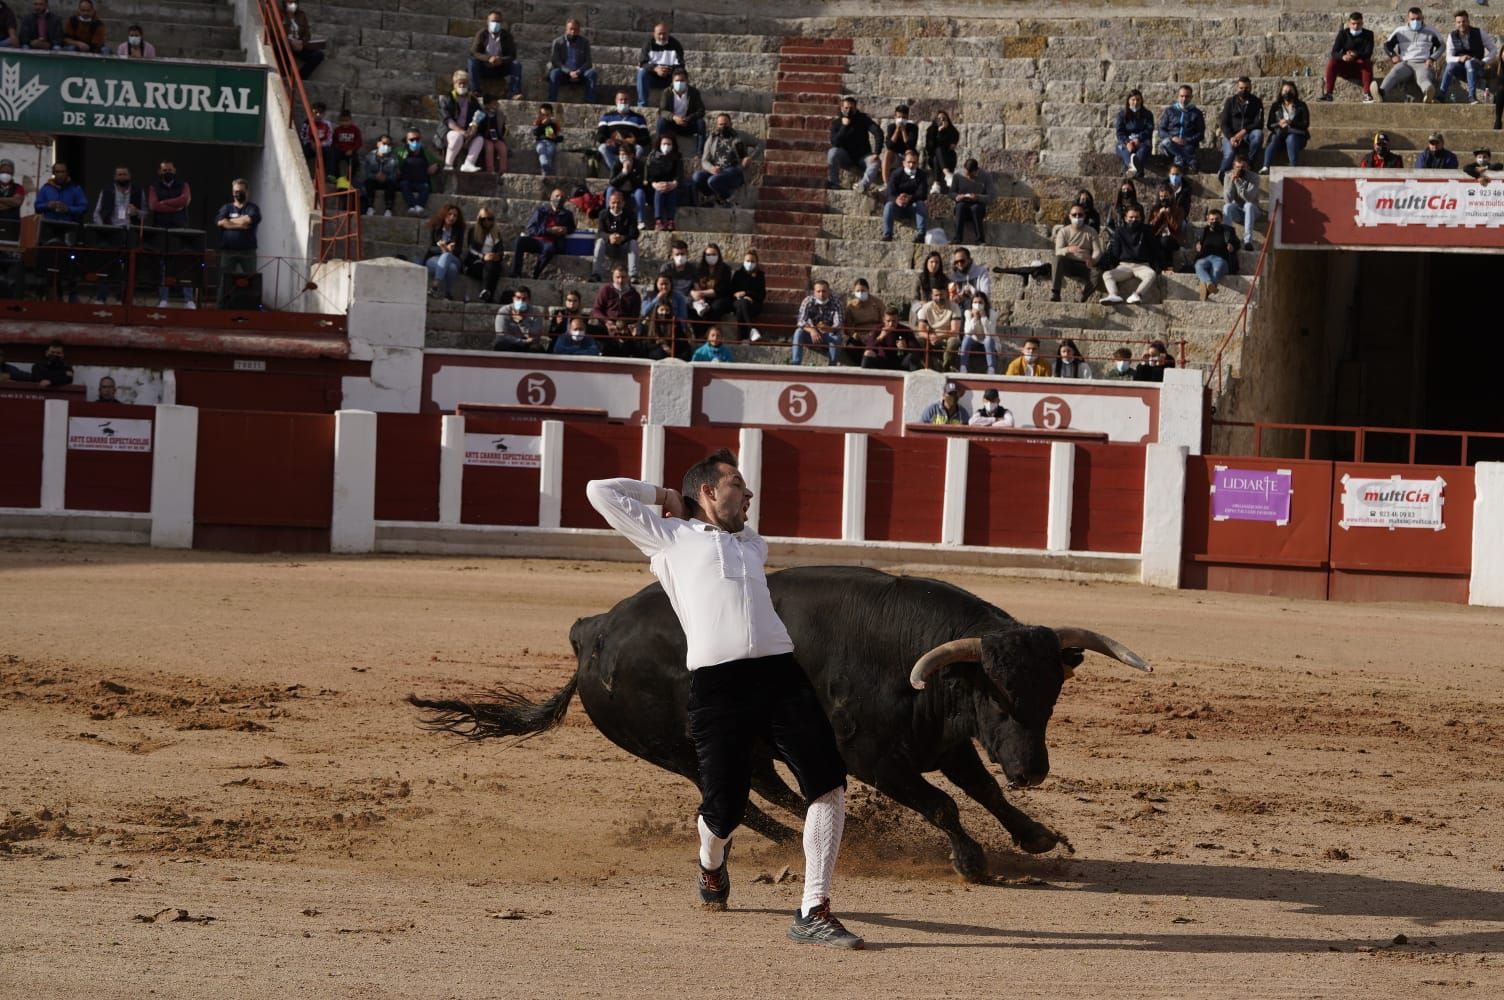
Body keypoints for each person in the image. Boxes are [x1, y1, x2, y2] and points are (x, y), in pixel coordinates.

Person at [585, 452, 861, 948]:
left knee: (827, 783)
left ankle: (814, 909)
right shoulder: (667, 538)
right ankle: (711, 864)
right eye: (738, 483)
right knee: (725, 808)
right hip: (718, 684)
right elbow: (599, 491)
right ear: (708, 492)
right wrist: (666, 497)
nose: (750, 493)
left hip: (780, 674)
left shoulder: (753, 543)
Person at [90, 165, 145, 303]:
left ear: (129, 176)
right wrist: (103, 228)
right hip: (112, 231)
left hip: (130, 231)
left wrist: (137, 212)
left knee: (128, 267)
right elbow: (97, 213)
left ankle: (123, 298)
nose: (122, 177)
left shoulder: (138, 191)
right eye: (119, 175)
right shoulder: (107, 190)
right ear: (115, 177)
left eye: (124, 174)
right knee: (108, 265)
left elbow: (146, 213)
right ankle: (101, 297)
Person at [147, 161, 194, 308]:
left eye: (170, 169)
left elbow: (184, 200)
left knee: (183, 264)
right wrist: (176, 207)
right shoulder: (154, 187)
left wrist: (164, 203)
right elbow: (153, 205)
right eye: (164, 170)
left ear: (175, 170)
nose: (167, 172)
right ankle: (164, 299)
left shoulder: (184, 185)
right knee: (162, 266)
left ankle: (189, 300)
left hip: (180, 230)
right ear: (159, 172)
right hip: (161, 230)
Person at [1098, 206, 1160, 305]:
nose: (1134, 220)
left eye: (1137, 217)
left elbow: (1154, 250)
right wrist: (1112, 265)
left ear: (1141, 218)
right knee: (1107, 275)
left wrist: (1158, 266)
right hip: (1124, 265)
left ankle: (1137, 294)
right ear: (1126, 218)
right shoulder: (1119, 231)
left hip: (1142, 265)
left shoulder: (1147, 230)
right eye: (1131, 217)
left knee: (1151, 274)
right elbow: (1115, 251)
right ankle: (1113, 295)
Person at [1380, 8, 1444, 102]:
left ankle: (1428, 93)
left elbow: (1442, 46)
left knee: (1423, 77)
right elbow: (1387, 45)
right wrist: (1393, 55)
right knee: (1395, 72)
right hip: (1405, 63)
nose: (1415, 21)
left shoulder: (1431, 31)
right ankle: (1380, 93)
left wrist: (1432, 58)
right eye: (1412, 19)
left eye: (1418, 19)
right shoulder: (1400, 31)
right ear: (1408, 19)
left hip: (1423, 63)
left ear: (1423, 18)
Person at [510, 188, 575, 279]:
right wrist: (549, 230)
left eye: (562, 197)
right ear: (551, 198)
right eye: (557, 196)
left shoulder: (567, 214)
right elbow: (531, 229)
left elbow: (572, 228)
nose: (560, 199)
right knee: (519, 241)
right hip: (536, 241)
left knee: (549, 248)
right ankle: (516, 273)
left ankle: (535, 275)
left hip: (551, 243)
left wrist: (565, 229)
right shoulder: (541, 211)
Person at [694, 114, 755, 207]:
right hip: (717, 171)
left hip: (734, 171)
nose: (723, 126)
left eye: (726, 124)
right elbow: (704, 160)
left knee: (713, 180)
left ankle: (729, 199)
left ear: (731, 124)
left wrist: (750, 157)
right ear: (717, 125)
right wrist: (711, 168)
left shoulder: (740, 136)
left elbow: (760, 144)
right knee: (697, 176)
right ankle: (713, 197)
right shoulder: (712, 138)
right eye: (721, 124)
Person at [826, 95, 883, 190]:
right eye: (846, 108)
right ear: (841, 108)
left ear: (855, 108)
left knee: (876, 162)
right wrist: (844, 127)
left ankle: (863, 185)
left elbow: (878, 132)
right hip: (845, 156)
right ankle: (834, 183)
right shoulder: (837, 123)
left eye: (851, 108)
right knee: (832, 152)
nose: (848, 110)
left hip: (863, 156)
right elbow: (835, 143)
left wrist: (877, 152)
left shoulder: (863, 119)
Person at [1440, 11, 1495, 104]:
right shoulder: (1452, 36)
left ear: (1468, 21)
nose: (1461, 24)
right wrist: (1459, 59)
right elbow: (1448, 58)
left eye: (1464, 21)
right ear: (1455, 23)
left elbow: (1494, 50)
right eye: (1459, 22)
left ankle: (1472, 97)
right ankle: (1440, 96)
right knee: (1450, 66)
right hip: (1461, 70)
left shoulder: (1479, 33)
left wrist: (1484, 61)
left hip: (1477, 69)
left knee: (1469, 63)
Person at [1052, 204, 1102, 304]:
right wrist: (1068, 249)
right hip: (1068, 264)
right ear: (1070, 216)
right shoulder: (1063, 232)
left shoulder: (1091, 232)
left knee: (1097, 273)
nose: (1077, 217)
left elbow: (1097, 251)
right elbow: (1058, 251)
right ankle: (1055, 293)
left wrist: (1093, 259)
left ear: (1084, 216)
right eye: (1074, 215)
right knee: (1056, 259)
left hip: (1085, 265)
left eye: (1080, 215)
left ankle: (1081, 297)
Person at [1217, 78, 1265, 183]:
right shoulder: (1230, 102)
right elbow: (1224, 123)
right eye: (1241, 88)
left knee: (1258, 135)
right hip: (1231, 135)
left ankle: (1250, 165)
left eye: (1246, 88)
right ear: (1237, 88)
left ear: (1251, 88)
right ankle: (1222, 173)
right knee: (1229, 154)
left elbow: (1259, 123)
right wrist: (1231, 137)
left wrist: (1244, 131)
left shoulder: (1256, 102)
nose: (1244, 90)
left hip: (1248, 134)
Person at [1323, 12, 1377, 102]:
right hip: (1345, 66)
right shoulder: (1343, 34)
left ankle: (1367, 94)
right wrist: (1343, 56)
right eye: (1353, 24)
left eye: (1358, 24)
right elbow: (1334, 52)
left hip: (1360, 68)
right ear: (1349, 23)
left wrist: (1356, 55)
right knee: (1333, 62)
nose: (1356, 26)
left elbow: (1368, 53)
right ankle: (1329, 93)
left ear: (1362, 23)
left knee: (1367, 62)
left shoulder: (1368, 34)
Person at [469, 10, 521, 101]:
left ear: (501, 23)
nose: (495, 24)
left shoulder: (507, 36)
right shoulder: (482, 34)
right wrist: (488, 58)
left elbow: (512, 55)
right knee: (472, 62)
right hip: (484, 67)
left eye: (498, 21)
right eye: (493, 21)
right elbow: (474, 52)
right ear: (488, 22)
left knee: (516, 64)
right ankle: (475, 91)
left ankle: (513, 93)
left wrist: (501, 60)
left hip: (500, 68)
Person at [590, 189, 640, 283]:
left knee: (633, 243)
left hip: (624, 247)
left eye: (619, 203)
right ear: (609, 202)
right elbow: (600, 232)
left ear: (623, 203)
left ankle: (633, 276)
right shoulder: (603, 214)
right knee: (600, 242)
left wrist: (623, 238)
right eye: (613, 203)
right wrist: (609, 237)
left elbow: (635, 233)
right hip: (609, 247)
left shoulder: (630, 215)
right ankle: (596, 274)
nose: (616, 205)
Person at [215, 178, 260, 280]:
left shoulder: (253, 208)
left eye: (241, 191)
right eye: (235, 191)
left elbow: (248, 219)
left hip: (248, 252)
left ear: (247, 192)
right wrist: (240, 225)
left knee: (251, 279)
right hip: (228, 252)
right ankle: (222, 296)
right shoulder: (226, 208)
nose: (238, 194)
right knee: (224, 280)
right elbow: (220, 222)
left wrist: (228, 221)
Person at [791, 279, 844, 366]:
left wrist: (829, 329)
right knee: (798, 332)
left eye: (824, 291)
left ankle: (832, 366)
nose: (821, 294)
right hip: (810, 334)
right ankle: (795, 364)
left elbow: (839, 323)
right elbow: (800, 321)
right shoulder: (808, 301)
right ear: (814, 292)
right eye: (818, 291)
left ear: (829, 291)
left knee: (836, 337)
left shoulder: (836, 302)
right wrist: (812, 330)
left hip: (828, 335)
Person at [1261, 82, 1310, 174]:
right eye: (1285, 91)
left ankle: (1293, 167)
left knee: (1291, 138)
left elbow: (1305, 124)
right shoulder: (1276, 106)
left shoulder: (1301, 105)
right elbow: (1269, 125)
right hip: (1280, 136)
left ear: (1295, 92)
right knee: (1274, 137)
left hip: (1297, 137)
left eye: (1290, 90)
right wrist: (1279, 124)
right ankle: (1266, 166)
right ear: (1281, 92)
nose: (1287, 93)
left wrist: (1291, 122)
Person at [881, 149, 929, 243]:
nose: (911, 165)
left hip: (912, 207)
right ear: (903, 163)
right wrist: (897, 199)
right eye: (909, 162)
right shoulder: (896, 174)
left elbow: (923, 194)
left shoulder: (921, 175)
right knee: (888, 205)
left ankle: (921, 235)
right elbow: (889, 192)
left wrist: (910, 198)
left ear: (917, 163)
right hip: (897, 207)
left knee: (920, 204)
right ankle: (887, 234)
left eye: (914, 162)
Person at [1193, 206, 1240, 301]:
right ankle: (1209, 284)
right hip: (1205, 258)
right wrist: (1197, 245)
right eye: (1212, 219)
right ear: (1207, 220)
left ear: (1221, 219)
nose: (1214, 221)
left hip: (1221, 259)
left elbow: (1237, 243)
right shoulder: (1203, 231)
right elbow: (1198, 242)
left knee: (1217, 270)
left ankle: (1205, 289)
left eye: (1217, 219)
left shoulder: (1228, 230)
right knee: (1198, 265)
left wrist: (1232, 247)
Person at [657, 69, 706, 156]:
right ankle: (658, 150)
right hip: (672, 124)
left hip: (688, 124)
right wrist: (674, 117)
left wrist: (688, 119)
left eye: (682, 80)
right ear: (672, 81)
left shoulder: (693, 92)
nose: (679, 83)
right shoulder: (667, 92)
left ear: (687, 81)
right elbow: (662, 111)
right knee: (661, 121)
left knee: (701, 123)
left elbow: (701, 110)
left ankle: (700, 153)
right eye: (677, 81)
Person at [548, 18, 598, 103]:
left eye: (576, 29)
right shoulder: (557, 42)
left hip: (580, 73)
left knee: (592, 74)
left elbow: (588, 62)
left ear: (579, 31)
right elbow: (556, 61)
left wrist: (578, 71)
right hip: (564, 72)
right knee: (554, 74)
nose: (573, 32)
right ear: (566, 29)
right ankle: (552, 101)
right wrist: (569, 72)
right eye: (571, 29)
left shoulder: (585, 42)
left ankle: (590, 102)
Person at [636, 22, 685, 108]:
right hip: (652, 78)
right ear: (654, 34)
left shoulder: (675, 44)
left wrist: (669, 70)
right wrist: (655, 69)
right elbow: (643, 63)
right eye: (659, 34)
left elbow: (681, 65)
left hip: (669, 78)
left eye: (664, 34)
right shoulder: (648, 44)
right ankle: (642, 105)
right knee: (642, 73)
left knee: (681, 76)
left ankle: (680, 105)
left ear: (668, 33)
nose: (662, 37)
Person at [1157, 85, 1205, 173]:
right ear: (1178, 96)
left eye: (1187, 96)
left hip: (1188, 144)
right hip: (1171, 143)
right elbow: (1161, 130)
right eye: (1182, 96)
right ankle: (1190, 160)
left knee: (1179, 160)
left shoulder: (1196, 113)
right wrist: (1172, 138)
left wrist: (1186, 140)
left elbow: (1200, 134)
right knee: (1165, 142)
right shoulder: (1169, 111)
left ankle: (1181, 161)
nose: (1184, 99)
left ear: (1191, 97)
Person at [422, 203, 465, 300]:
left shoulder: (459, 230)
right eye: (449, 214)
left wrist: (451, 249)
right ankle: (448, 293)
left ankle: (435, 285)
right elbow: (431, 248)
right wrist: (442, 248)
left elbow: (459, 250)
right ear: (444, 214)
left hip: (453, 257)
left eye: (455, 215)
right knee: (452, 268)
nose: (452, 217)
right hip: (434, 259)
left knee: (447, 256)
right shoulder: (436, 227)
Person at [593, 267, 643, 349]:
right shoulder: (606, 290)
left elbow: (635, 316)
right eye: (617, 277)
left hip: (625, 328)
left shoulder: (634, 294)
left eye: (623, 277)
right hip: (606, 325)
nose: (620, 280)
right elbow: (597, 309)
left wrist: (625, 326)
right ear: (613, 278)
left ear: (628, 277)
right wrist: (606, 321)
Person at [912, 284, 959, 371]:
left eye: (941, 295)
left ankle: (946, 367)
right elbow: (921, 331)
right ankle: (927, 367)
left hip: (946, 337)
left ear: (946, 294)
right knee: (918, 341)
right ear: (932, 296)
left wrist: (939, 336)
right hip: (931, 337)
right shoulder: (925, 308)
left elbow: (955, 331)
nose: (939, 298)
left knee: (954, 341)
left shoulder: (954, 307)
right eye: (936, 295)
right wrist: (930, 337)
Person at [463, 207, 505, 302]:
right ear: (479, 220)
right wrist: (483, 257)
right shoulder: (473, 231)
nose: (486, 221)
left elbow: (500, 250)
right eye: (483, 219)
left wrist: (497, 256)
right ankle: (488, 293)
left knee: (494, 267)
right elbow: (471, 250)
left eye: (489, 218)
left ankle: (486, 292)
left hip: (491, 262)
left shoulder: (496, 233)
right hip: (475, 263)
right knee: (491, 269)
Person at [598, 91, 650, 166]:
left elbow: (646, 138)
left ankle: (629, 167)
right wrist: (607, 140)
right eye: (621, 99)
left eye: (626, 99)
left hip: (630, 147)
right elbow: (600, 135)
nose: (623, 102)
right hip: (614, 146)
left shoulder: (639, 118)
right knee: (602, 148)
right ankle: (615, 169)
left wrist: (635, 141)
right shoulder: (607, 117)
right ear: (616, 101)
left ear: (630, 101)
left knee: (639, 148)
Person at [950, 159, 993, 244]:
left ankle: (980, 239)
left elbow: (991, 196)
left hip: (978, 205)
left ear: (976, 171)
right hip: (963, 204)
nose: (969, 177)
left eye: (971, 174)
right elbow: (951, 193)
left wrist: (977, 197)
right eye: (967, 174)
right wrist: (957, 196)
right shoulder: (957, 175)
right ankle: (957, 238)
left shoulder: (986, 176)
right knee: (960, 207)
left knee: (975, 208)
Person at [644, 135, 683, 231]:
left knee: (672, 192)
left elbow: (679, 174)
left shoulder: (677, 158)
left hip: (672, 186)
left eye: (669, 144)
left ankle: (670, 221)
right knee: (659, 192)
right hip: (655, 188)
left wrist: (673, 184)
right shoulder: (652, 157)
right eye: (664, 144)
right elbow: (648, 176)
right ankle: (658, 221)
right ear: (659, 144)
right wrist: (655, 184)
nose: (666, 146)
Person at [492, 285, 546, 352]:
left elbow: (535, 336)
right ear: (513, 298)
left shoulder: (536, 312)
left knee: (538, 349)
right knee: (501, 346)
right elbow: (502, 335)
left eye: (524, 299)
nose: (520, 301)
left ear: (529, 300)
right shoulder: (504, 311)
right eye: (518, 298)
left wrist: (521, 322)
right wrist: (523, 341)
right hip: (511, 342)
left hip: (528, 345)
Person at [688, 243, 732, 324]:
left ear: (718, 255)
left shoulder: (725, 269)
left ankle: (708, 330)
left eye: (714, 254)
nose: (711, 257)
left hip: (719, 298)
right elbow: (691, 285)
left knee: (717, 307)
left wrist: (701, 293)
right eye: (708, 255)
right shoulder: (698, 268)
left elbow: (722, 290)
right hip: (701, 299)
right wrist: (693, 293)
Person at [1222, 153, 1259, 251]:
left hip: (1252, 211)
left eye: (1243, 167)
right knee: (1226, 207)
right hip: (1237, 211)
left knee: (1249, 205)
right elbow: (1227, 199)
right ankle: (1228, 239)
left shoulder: (1254, 177)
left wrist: (1238, 183)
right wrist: (1231, 182)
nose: (1240, 169)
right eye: (1237, 167)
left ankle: (1248, 241)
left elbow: (1249, 198)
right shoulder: (1228, 175)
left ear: (1248, 167)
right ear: (1233, 167)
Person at [1114, 89, 1155, 177]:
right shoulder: (1121, 115)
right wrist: (1127, 142)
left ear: (1141, 101)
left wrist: (1139, 139)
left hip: (1142, 142)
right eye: (1133, 100)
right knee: (1121, 148)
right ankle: (1134, 168)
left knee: (1144, 149)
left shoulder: (1148, 115)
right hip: (1127, 143)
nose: (1135, 102)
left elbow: (1149, 129)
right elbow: (1119, 132)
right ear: (1128, 101)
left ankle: (1131, 169)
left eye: (1138, 100)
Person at [958, 291, 998, 375]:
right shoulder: (968, 313)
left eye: (980, 302)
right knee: (967, 339)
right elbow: (968, 332)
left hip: (987, 340)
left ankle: (991, 368)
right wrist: (975, 318)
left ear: (985, 303)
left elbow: (989, 333)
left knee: (988, 340)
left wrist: (983, 317)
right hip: (974, 339)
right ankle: (963, 366)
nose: (977, 305)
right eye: (975, 302)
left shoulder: (992, 314)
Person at [729, 250, 764, 340]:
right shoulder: (738, 274)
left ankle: (740, 338)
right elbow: (731, 291)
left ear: (756, 263)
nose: (750, 263)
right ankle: (751, 330)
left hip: (753, 303)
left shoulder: (760, 276)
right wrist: (741, 296)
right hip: (737, 301)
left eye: (752, 261)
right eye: (748, 261)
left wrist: (747, 294)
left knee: (742, 306)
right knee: (742, 303)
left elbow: (761, 294)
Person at [282, 0, 321, 79]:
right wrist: (290, 42)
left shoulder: (301, 15)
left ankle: (300, 77)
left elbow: (307, 33)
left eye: (295, 2)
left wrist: (302, 42)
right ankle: (286, 76)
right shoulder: (280, 14)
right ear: (285, 3)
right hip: (286, 45)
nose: (293, 4)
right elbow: (277, 32)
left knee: (318, 55)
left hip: (299, 45)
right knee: (283, 49)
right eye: (290, 2)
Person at [361, 135, 399, 216]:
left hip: (387, 181)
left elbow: (394, 174)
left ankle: (388, 209)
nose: (386, 146)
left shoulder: (394, 158)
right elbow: (366, 172)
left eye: (389, 145)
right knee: (368, 182)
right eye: (384, 143)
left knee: (392, 184)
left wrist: (386, 177)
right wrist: (375, 176)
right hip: (373, 180)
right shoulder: (369, 156)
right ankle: (370, 207)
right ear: (378, 143)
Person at [923, 110, 959, 191]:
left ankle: (936, 184)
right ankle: (947, 175)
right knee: (936, 154)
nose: (942, 121)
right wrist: (939, 132)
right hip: (933, 158)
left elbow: (950, 147)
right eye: (939, 119)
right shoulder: (931, 131)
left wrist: (944, 131)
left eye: (944, 119)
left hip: (949, 158)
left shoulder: (953, 131)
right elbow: (930, 147)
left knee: (939, 151)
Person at [947, 247, 991, 313]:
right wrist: (959, 297)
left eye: (962, 261)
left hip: (978, 309)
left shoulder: (981, 272)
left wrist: (972, 296)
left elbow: (985, 293)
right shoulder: (953, 277)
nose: (959, 264)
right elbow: (951, 297)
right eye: (956, 262)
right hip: (959, 310)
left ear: (969, 260)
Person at [299, 102, 333, 179]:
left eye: (320, 113)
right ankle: (302, 173)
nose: (318, 115)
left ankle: (329, 175)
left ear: (324, 113)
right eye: (315, 112)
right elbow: (303, 136)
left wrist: (320, 144)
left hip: (322, 146)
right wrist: (311, 142)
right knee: (303, 152)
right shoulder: (307, 123)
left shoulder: (327, 124)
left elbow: (329, 138)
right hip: (311, 145)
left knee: (330, 153)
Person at [476, 97, 508, 174]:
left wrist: (503, 135)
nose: (496, 106)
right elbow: (478, 127)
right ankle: (490, 170)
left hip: (496, 138)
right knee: (489, 147)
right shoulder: (481, 114)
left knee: (502, 148)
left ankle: (503, 169)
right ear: (487, 105)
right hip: (485, 138)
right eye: (493, 104)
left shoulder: (500, 115)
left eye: (496, 104)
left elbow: (502, 128)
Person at [330, 109, 363, 181]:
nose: (344, 123)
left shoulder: (355, 129)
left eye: (346, 121)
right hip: (340, 150)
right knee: (333, 158)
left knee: (355, 162)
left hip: (351, 151)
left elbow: (359, 142)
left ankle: (349, 179)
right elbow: (334, 141)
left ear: (351, 120)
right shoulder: (337, 130)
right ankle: (337, 177)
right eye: (342, 121)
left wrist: (352, 149)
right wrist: (337, 148)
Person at [531, 103, 561, 176]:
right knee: (541, 150)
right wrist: (542, 125)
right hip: (540, 142)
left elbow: (561, 137)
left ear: (551, 115)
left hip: (551, 143)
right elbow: (535, 133)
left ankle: (545, 171)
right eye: (543, 115)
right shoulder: (538, 123)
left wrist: (555, 138)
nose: (545, 117)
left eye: (547, 115)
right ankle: (545, 165)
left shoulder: (554, 124)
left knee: (549, 152)